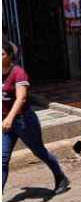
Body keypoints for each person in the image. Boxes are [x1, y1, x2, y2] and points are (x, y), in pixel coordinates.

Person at [2, 41, 70, 193]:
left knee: (39, 151)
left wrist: (10, 117)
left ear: (10, 56)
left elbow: (22, 98)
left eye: (2, 54)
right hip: (6, 123)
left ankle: (61, 177)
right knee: (2, 159)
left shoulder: (18, 73)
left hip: (23, 121)